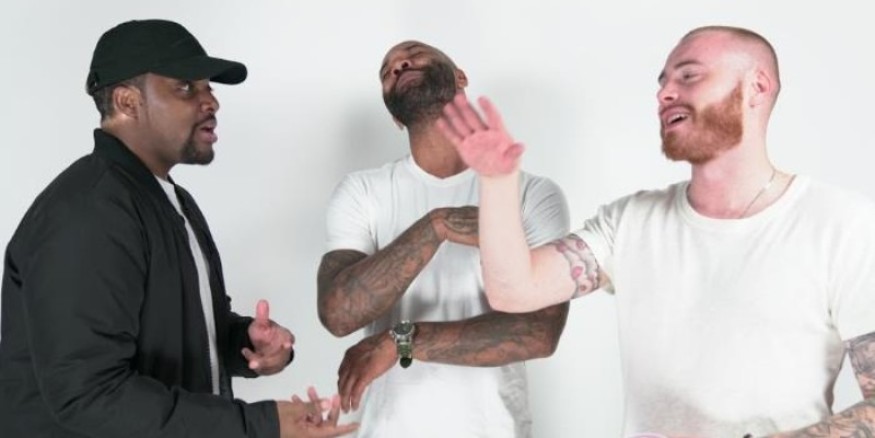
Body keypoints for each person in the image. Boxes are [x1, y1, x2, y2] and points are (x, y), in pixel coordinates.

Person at [437, 25, 875, 438]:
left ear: (757, 87)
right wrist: (498, 181)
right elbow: (514, 291)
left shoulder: (842, 225)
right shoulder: (631, 222)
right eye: (663, 82)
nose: (665, 93)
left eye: (689, 76)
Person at [0, 19, 357, 438]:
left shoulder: (168, 200)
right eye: (186, 87)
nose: (211, 102)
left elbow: (169, 334)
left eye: (209, 88)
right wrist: (261, 425)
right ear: (128, 101)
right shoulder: (88, 210)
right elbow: (89, 395)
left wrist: (243, 343)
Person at [316, 40, 570, 437]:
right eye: (387, 71)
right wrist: (436, 226)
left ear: (460, 77)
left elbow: (539, 332)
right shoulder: (362, 192)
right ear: (395, 118)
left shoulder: (531, 194)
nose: (399, 65)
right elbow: (338, 314)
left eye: (414, 54)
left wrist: (401, 341)